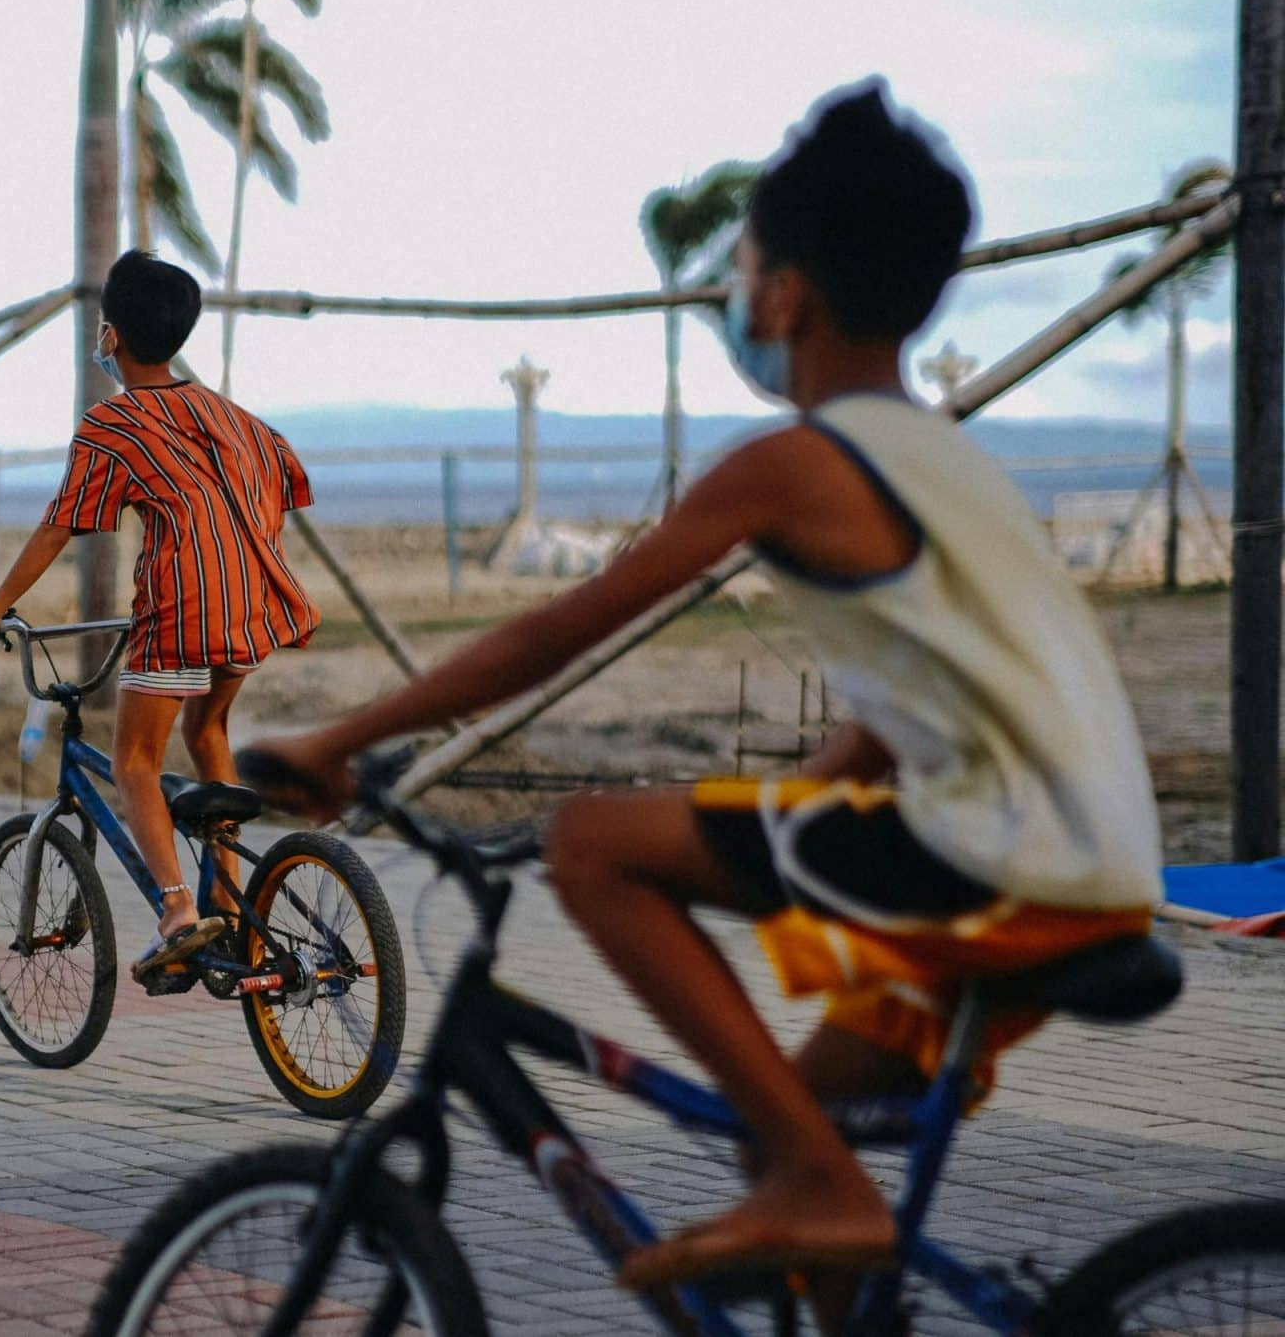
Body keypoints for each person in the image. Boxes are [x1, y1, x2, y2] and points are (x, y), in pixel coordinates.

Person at [244, 80, 1163, 1291]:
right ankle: (818, 1195)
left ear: (785, 294)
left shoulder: (795, 464)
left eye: (742, 269)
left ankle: (823, 1187)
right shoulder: (949, 460)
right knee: (785, 1128)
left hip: (1001, 859)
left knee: (589, 845)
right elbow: (904, 713)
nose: (738, 294)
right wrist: (780, 801)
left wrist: (335, 741)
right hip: (1094, 863)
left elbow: (558, 631)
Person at [0, 249, 320, 983]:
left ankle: (179, 911)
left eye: (101, 323)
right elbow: (278, 487)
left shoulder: (113, 424)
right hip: (258, 603)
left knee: (134, 762)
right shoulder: (236, 417)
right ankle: (227, 897)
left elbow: (60, 524)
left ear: (111, 336)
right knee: (207, 730)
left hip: (182, 610)